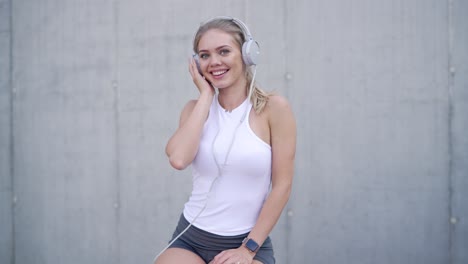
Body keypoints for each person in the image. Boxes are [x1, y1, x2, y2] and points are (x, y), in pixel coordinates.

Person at [154, 16, 296, 264]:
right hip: (190, 238)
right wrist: (206, 97)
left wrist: (248, 248)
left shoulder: (274, 109)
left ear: (247, 54)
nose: (214, 62)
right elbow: (178, 159)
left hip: (247, 241)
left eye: (224, 51)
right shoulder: (194, 110)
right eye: (205, 55)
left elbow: (282, 185)